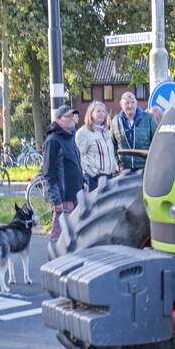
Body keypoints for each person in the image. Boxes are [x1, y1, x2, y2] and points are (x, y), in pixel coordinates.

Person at [42, 104, 83, 243]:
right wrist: (56, 200)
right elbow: (49, 173)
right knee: (58, 239)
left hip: (76, 196)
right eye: (68, 116)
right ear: (58, 119)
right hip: (63, 199)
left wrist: (83, 182)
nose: (72, 118)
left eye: (73, 115)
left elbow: (76, 163)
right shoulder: (53, 141)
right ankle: (53, 264)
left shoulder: (70, 137)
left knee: (73, 238)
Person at [75, 100, 118, 191]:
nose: (102, 114)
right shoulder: (83, 132)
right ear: (91, 113)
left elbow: (110, 152)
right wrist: (93, 173)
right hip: (95, 179)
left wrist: (115, 167)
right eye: (98, 111)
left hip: (109, 177)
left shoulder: (105, 132)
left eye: (103, 111)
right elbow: (79, 156)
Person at [111, 91, 158, 171]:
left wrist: (152, 162)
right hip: (124, 169)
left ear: (136, 103)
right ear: (121, 105)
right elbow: (112, 145)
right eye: (127, 103)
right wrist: (117, 162)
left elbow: (156, 142)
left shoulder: (148, 118)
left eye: (132, 102)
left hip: (144, 168)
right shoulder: (115, 121)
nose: (130, 105)